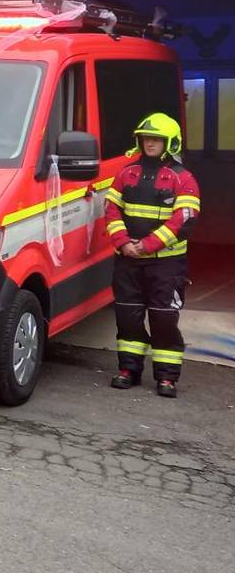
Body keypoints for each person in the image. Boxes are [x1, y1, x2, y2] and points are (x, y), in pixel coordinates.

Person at [105, 113, 201, 399]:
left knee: (164, 320)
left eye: (156, 139)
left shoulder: (183, 178)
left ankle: (167, 377)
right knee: (127, 317)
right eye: (146, 138)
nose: (149, 143)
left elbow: (184, 220)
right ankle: (128, 370)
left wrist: (146, 245)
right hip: (128, 260)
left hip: (166, 265)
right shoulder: (126, 173)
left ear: (170, 143)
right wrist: (123, 242)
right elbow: (111, 209)